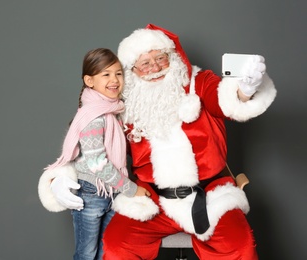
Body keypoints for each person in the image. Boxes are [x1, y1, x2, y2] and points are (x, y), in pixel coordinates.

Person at [101, 24, 277, 260]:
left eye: (161, 58)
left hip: (210, 196)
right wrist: (64, 173)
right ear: (132, 71)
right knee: (116, 244)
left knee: (239, 246)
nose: (155, 67)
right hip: (152, 199)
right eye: (145, 63)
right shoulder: (126, 104)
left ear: (172, 58)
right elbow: (94, 142)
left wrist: (244, 91)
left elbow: (224, 99)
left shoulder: (199, 81)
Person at [38, 48, 150, 260]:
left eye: (118, 73)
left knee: (104, 252)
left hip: (111, 191)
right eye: (105, 74)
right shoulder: (94, 116)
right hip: (91, 193)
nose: (114, 79)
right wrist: (131, 189)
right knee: (87, 254)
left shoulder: (113, 110)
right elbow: (97, 163)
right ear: (89, 81)